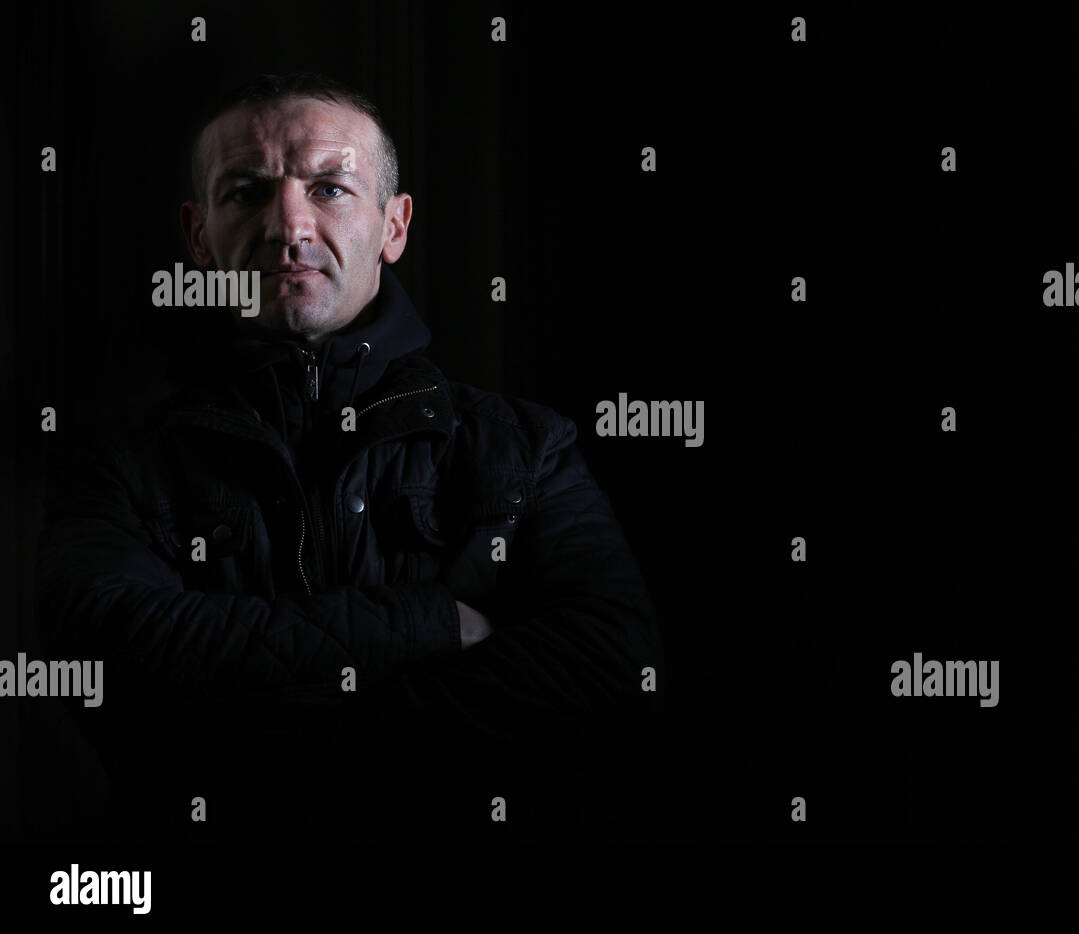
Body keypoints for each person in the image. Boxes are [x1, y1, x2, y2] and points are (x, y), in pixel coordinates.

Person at [35, 72, 662, 841]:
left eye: (330, 188)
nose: (287, 224)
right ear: (199, 238)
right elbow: (108, 661)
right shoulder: (119, 460)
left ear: (393, 226)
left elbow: (613, 668)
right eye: (246, 192)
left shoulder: (523, 445)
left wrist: (275, 746)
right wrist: (426, 624)